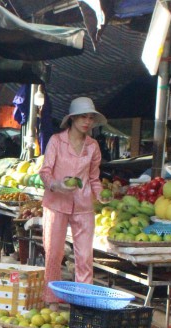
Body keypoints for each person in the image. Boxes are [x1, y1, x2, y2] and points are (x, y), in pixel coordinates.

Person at [40, 97, 107, 307]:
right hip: (56, 202)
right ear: (72, 119)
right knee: (53, 253)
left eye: (90, 118)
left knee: (85, 256)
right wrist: (57, 185)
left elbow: (94, 178)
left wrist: (100, 194)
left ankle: (82, 302)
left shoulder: (93, 146)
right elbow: (45, 172)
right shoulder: (57, 141)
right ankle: (52, 300)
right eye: (82, 117)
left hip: (84, 205)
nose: (87, 122)